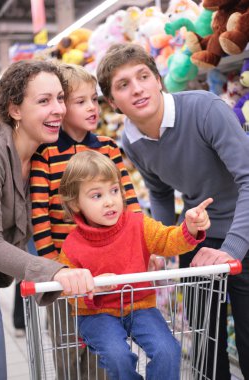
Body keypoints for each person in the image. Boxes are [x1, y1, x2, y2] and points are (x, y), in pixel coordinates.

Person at [96, 42, 249, 380]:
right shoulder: (131, 141)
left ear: (158, 80)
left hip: (244, 227)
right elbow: (161, 192)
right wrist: (160, 245)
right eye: (123, 85)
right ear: (111, 101)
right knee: (206, 343)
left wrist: (231, 251)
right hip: (196, 232)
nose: (137, 89)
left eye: (143, 76)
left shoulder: (205, 110)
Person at [57, 150, 212, 380]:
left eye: (114, 190)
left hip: (140, 306)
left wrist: (189, 228)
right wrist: (91, 288)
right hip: (96, 313)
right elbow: (69, 290)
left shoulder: (138, 225)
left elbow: (168, 241)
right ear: (75, 204)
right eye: (96, 195)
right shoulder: (72, 246)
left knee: (168, 350)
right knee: (116, 356)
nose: (110, 201)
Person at [30, 63, 140, 379]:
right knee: (67, 351)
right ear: (62, 108)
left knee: (103, 354)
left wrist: (137, 251)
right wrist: (53, 269)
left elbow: (129, 204)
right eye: (81, 101)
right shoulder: (46, 155)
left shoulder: (107, 148)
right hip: (64, 275)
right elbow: (39, 216)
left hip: (106, 272)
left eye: (95, 99)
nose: (92, 107)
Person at [0, 60, 96, 380]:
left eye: (60, 98)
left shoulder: (40, 155)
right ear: (15, 110)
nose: (59, 109)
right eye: (43, 101)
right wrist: (55, 271)